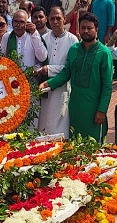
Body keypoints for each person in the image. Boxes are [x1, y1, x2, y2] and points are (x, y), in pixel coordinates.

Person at [40, 13, 114, 142]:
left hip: (94, 109)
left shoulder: (104, 53)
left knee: (93, 147)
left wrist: (102, 110)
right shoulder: (74, 49)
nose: (86, 31)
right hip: (75, 107)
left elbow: (107, 86)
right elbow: (66, 73)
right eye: (83, 27)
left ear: (96, 29)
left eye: (89, 28)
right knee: (75, 145)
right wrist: (49, 84)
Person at [37, 7, 78, 138]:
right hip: (44, 88)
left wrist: (49, 69)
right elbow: (38, 60)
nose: (55, 22)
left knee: (61, 122)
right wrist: (38, 69)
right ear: (48, 20)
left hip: (63, 87)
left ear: (64, 19)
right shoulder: (43, 38)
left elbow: (70, 67)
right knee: (44, 120)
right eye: (52, 19)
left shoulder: (73, 40)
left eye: (58, 18)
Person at [0, 10, 48, 77]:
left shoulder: (33, 36)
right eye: (15, 21)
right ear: (12, 22)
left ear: (27, 23)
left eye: (21, 22)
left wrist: (34, 34)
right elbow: (2, 58)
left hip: (31, 79)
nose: (18, 25)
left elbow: (42, 58)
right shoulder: (7, 37)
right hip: (11, 78)